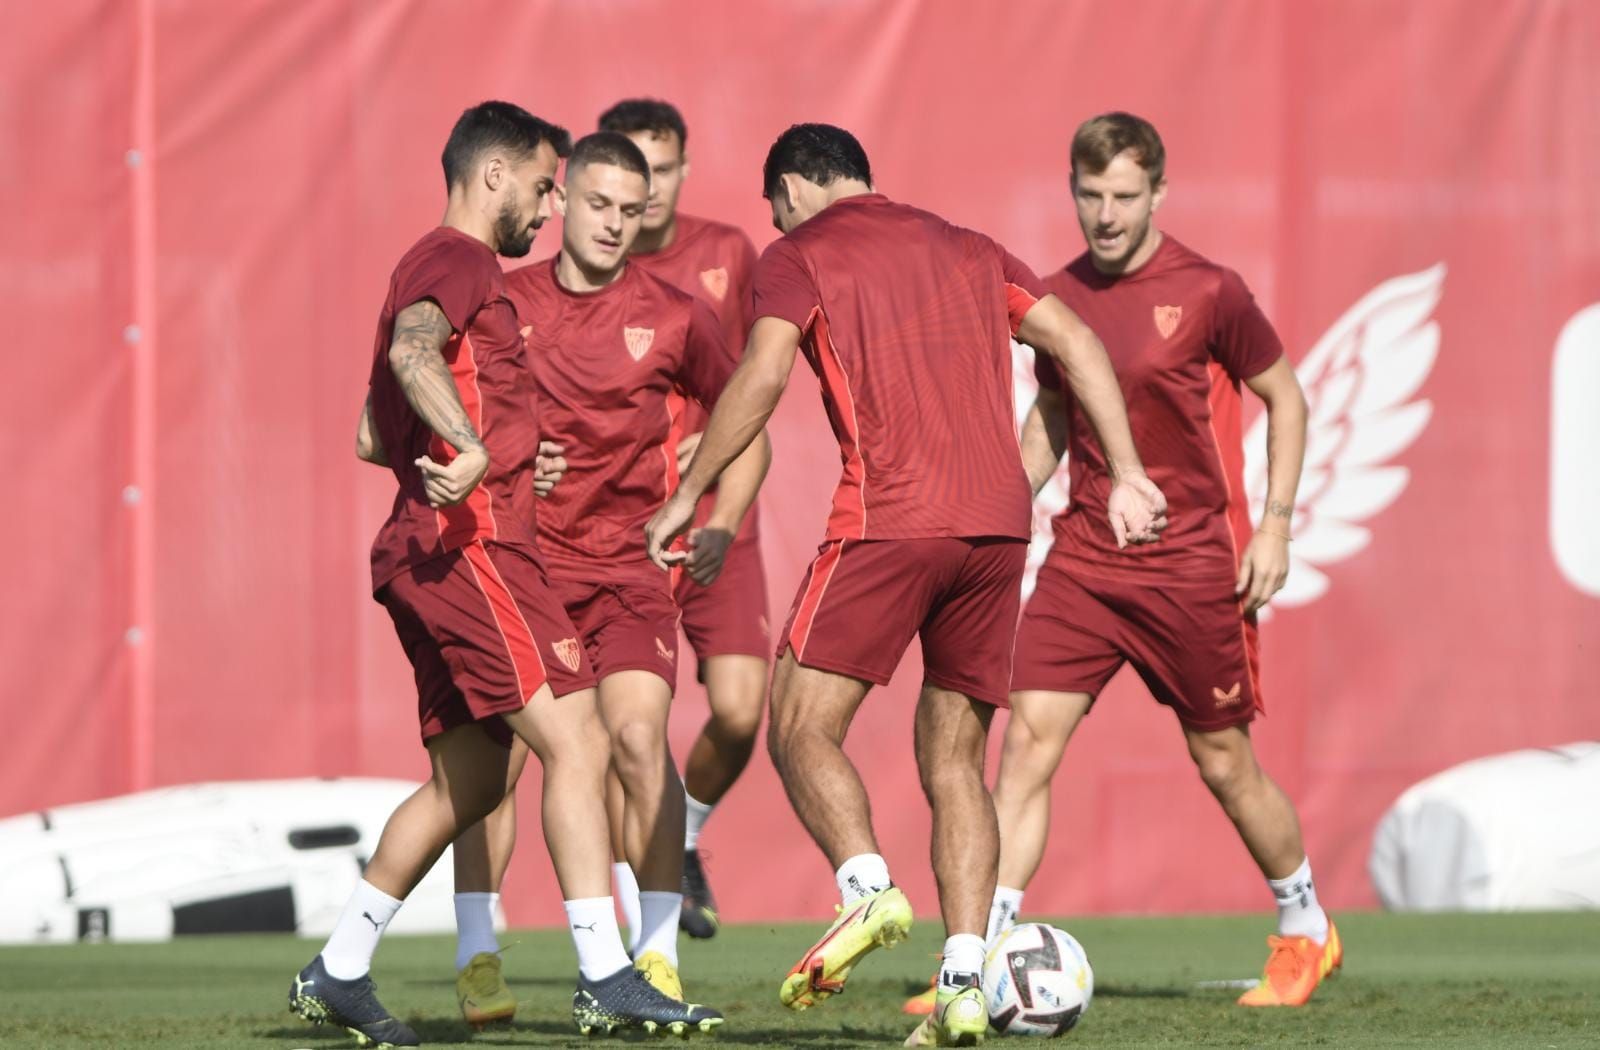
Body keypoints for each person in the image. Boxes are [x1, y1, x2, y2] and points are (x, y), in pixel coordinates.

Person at [645, 123, 1165, 1047]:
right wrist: (1123, 468)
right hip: (1000, 524)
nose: (774, 218)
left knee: (801, 726)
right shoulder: (969, 246)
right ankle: (967, 977)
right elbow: (1079, 343)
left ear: (796, 188)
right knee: (957, 762)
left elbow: (762, 375)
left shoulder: (796, 252)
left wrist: (690, 491)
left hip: (891, 518)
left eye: (775, 203)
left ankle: (864, 888)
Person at [288, 101, 706, 1047]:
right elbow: (410, 350)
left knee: (468, 786)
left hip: (428, 548)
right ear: (493, 176)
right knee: (581, 739)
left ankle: (340, 968)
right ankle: (606, 972)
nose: (551, 206)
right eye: (546, 185)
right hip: (471, 549)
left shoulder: (432, 268)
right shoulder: (461, 258)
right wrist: (477, 450)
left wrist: (504, 451)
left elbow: (369, 431)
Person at [979, 111, 1338, 1011]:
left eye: (1125, 196)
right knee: (1023, 743)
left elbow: (1285, 399)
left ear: (1159, 195)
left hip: (1187, 568)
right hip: (1086, 563)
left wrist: (1276, 528)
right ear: (1072, 190)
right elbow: (1055, 419)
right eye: (1091, 194)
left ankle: (1307, 928)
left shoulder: (1210, 290)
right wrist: (996, 510)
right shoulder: (1054, 296)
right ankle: (985, 953)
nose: (1106, 213)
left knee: (1223, 761)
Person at [452, 131, 766, 1026]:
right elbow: (420, 414)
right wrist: (496, 459)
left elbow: (752, 425)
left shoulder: (673, 315)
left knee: (638, 741)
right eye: (598, 205)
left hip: (628, 572)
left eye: (631, 211)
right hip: (520, 569)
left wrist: (718, 521)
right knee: (496, 767)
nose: (614, 224)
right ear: (560, 203)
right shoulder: (499, 300)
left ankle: (655, 959)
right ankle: (479, 952)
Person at [598, 97, 767, 940]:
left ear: (684, 170)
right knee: (623, 729)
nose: (649, 188)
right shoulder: (591, 270)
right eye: (633, 170)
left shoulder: (728, 253)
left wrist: (723, 516)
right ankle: (636, 915)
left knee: (741, 711)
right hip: (622, 527)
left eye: (662, 169)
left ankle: (686, 834)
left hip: (714, 517)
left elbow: (750, 397)